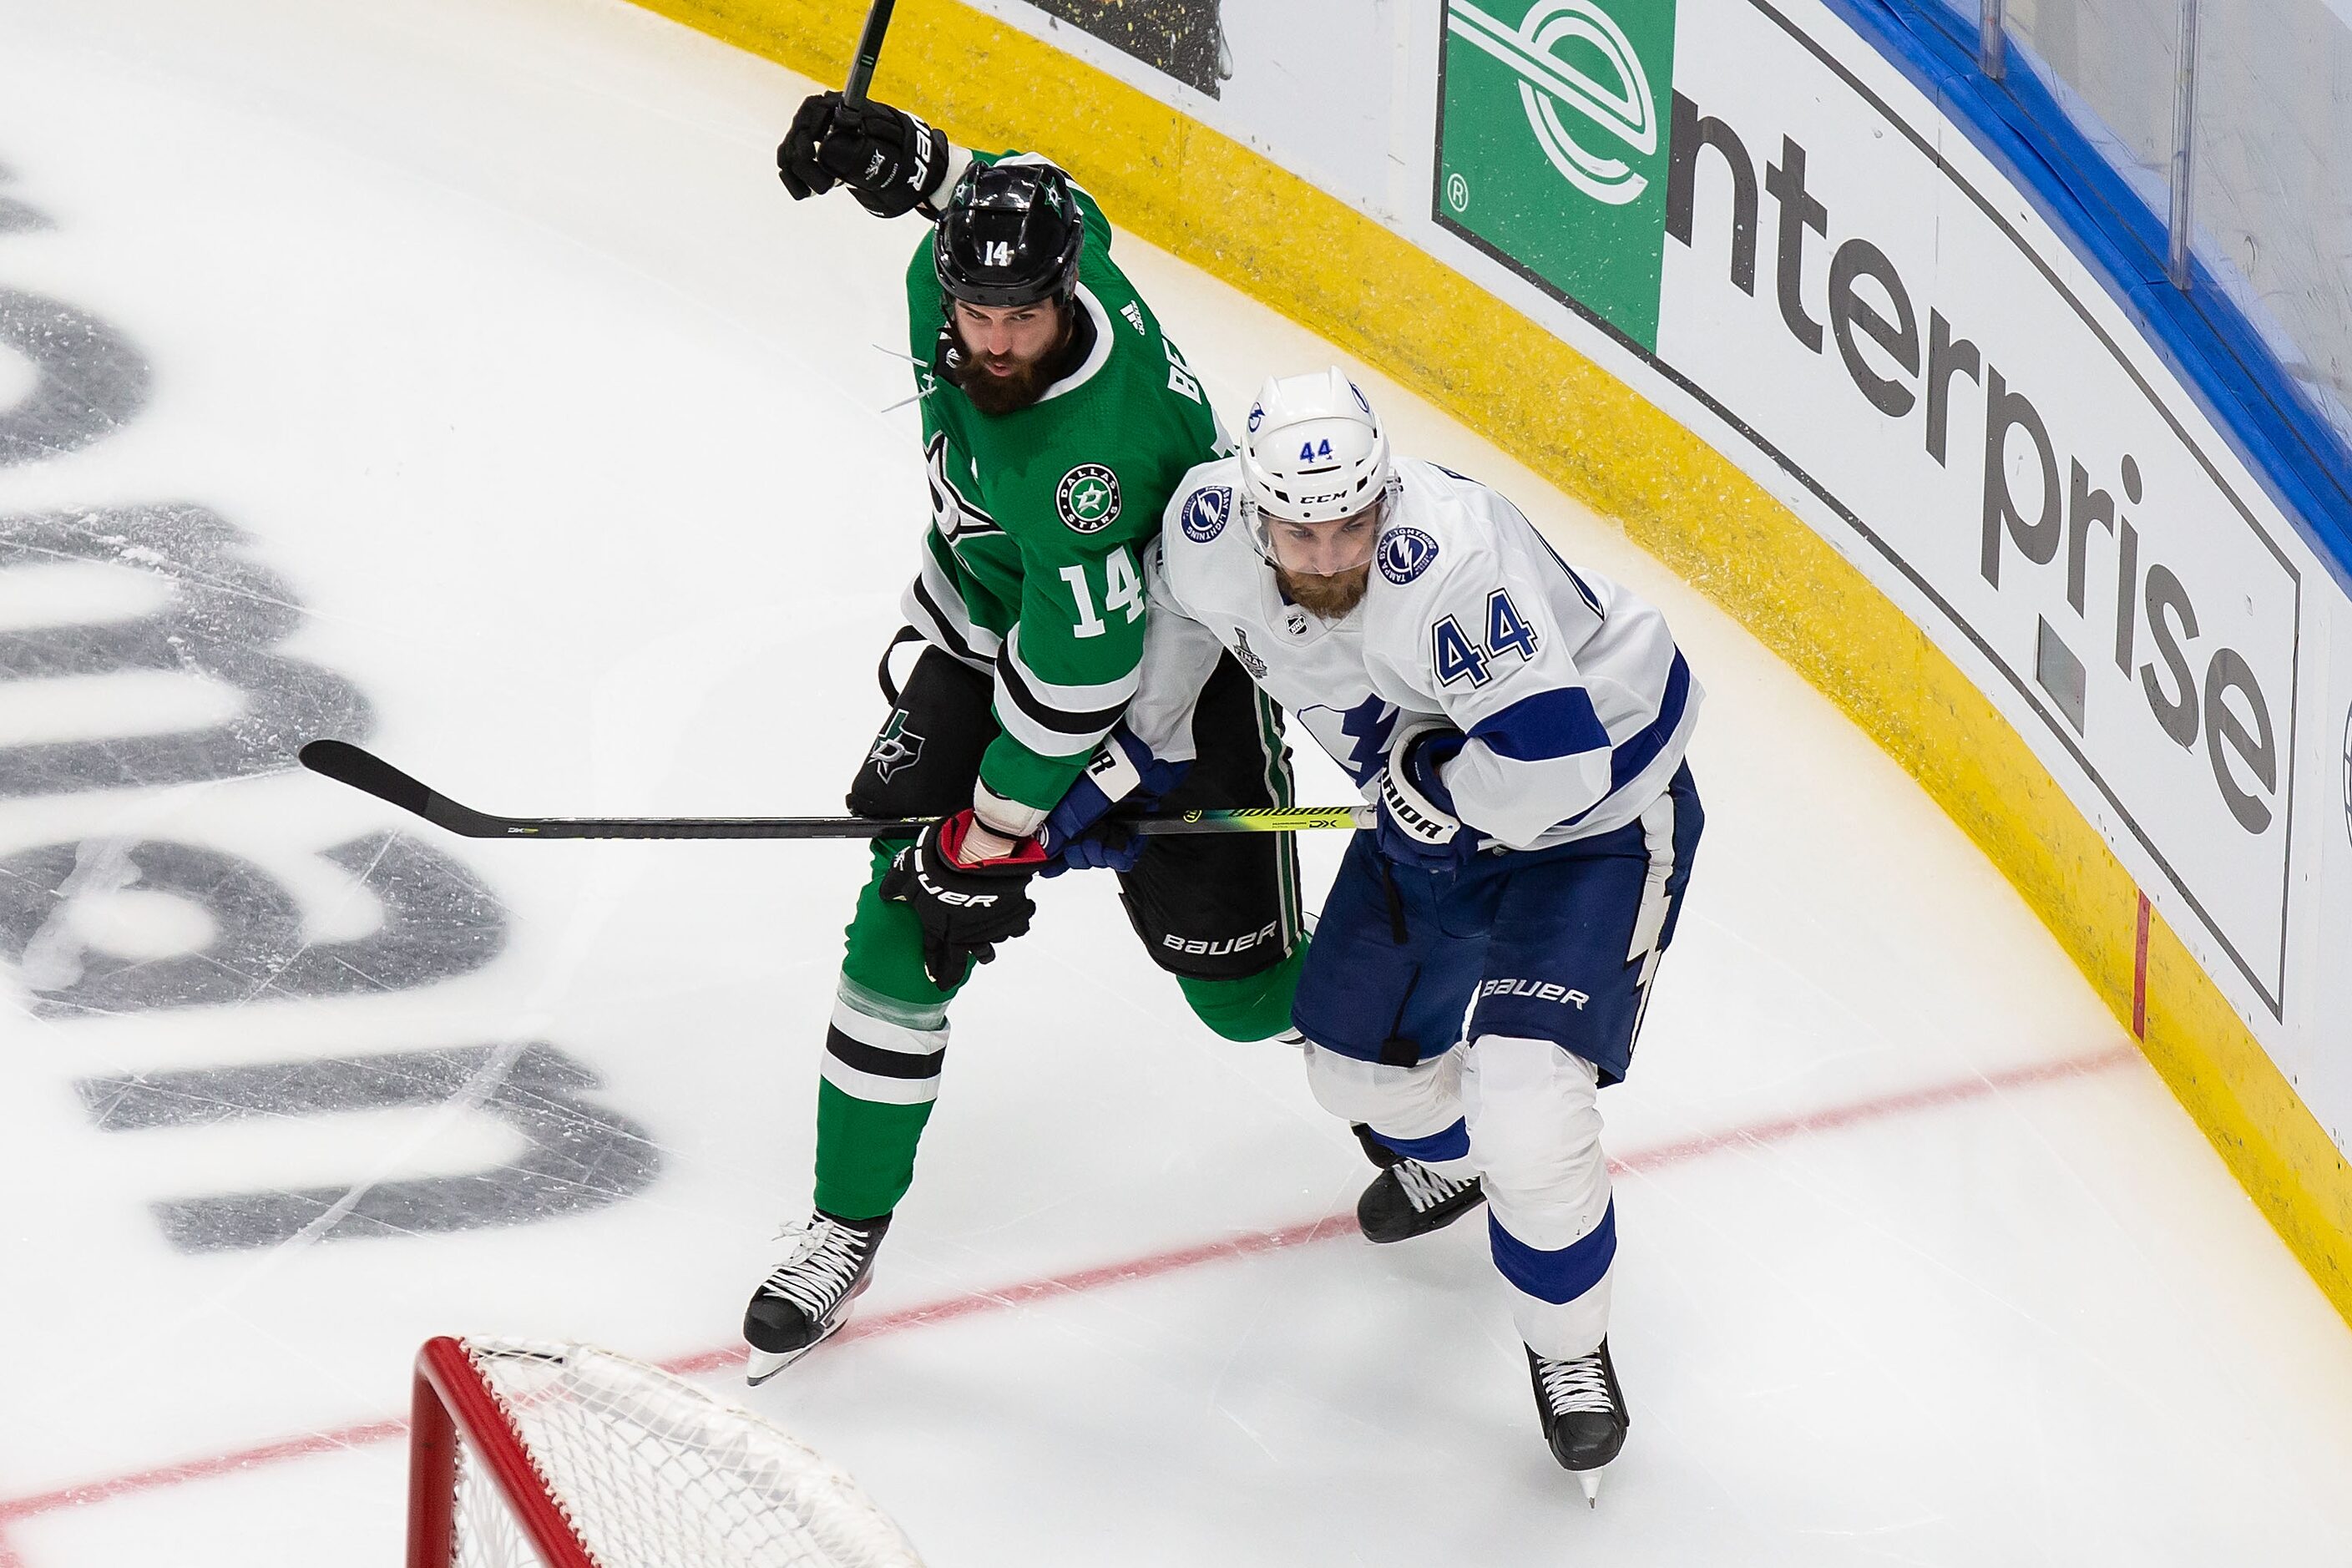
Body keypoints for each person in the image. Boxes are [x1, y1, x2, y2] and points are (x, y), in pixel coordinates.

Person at [740, 94, 1308, 1383]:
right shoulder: (1012, 267)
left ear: (1067, 304)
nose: (996, 343)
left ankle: (1418, 1115)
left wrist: (991, 834)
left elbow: (1094, 673)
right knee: (901, 920)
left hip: (1177, 691)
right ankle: (843, 1225)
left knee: (1236, 994)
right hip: (1004, 625)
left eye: (1023, 319)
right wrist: (908, 159)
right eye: (980, 315)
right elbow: (1025, 179)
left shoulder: (1087, 461)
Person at [1075, 368, 1704, 1499]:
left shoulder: (1449, 566)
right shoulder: (1210, 527)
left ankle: (1567, 1350)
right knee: (1350, 1073)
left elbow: (1557, 764)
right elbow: (1176, 605)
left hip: (1595, 816)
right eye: (1297, 532)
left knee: (1528, 1101)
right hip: (1436, 807)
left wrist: (1447, 796)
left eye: (1349, 526)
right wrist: (1140, 751)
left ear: (1383, 500)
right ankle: (1462, 1169)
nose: (1324, 557)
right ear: (1253, 508)